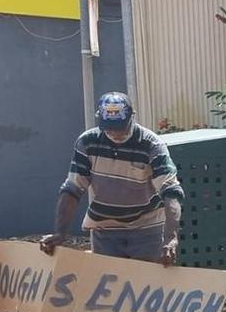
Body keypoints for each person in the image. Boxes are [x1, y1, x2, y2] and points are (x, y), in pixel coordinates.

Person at [41, 92, 183, 265]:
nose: (115, 133)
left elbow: (171, 192)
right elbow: (72, 189)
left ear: (132, 117)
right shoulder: (87, 142)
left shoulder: (152, 145)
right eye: (108, 128)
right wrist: (60, 233)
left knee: (145, 286)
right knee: (109, 289)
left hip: (147, 231)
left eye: (120, 127)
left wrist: (170, 238)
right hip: (105, 232)